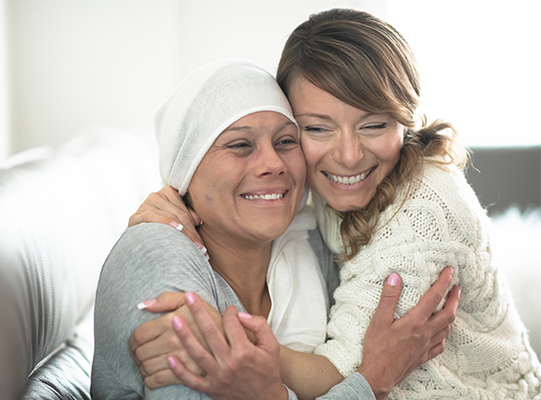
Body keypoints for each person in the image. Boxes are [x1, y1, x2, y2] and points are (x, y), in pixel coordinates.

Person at [127, 7, 541, 400]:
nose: (347, 156)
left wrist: (220, 335)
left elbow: (341, 374)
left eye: (374, 125)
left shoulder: (422, 214)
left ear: (406, 119)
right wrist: (171, 199)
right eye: (317, 128)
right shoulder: (316, 176)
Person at [91, 59, 457, 400]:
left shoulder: (311, 239)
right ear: (184, 168)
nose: (273, 164)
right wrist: (374, 380)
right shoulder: (159, 255)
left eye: (285, 141)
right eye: (240, 145)